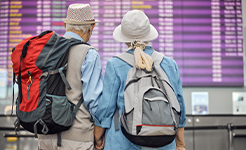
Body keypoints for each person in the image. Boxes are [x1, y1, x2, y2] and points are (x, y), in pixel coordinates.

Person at [94, 10, 186, 150]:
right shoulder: (169, 64)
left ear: (124, 38)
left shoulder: (115, 64)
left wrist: (98, 137)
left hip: (123, 142)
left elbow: (106, 108)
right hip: (164, 141)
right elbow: (179, 105)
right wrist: (180, 142)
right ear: (149, 35)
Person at [38, 4, 104, 150]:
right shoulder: (89, 54)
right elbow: (94, 102)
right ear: (91, 27)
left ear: (65, 25)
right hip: (78, 139)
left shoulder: (46, 51)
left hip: (45, 135)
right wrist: (99, 134)